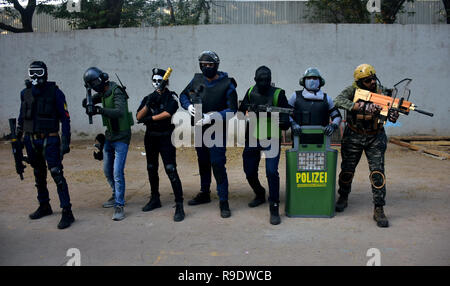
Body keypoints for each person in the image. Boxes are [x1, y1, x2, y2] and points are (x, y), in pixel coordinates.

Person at [333, 64, 399, 228]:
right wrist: (362, 106)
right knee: (347, 169)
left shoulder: (383, 92)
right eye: (367, 80)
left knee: (377, 172)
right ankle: (343, 196)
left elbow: (392, 113)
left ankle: (379, 207)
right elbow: (338, 101)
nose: (372, 82)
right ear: (359, 82)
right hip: (353, 135)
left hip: (375, 137)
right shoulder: (353, 90)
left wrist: (392, 114)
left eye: (373, 78)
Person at [179, 51, 238, 218]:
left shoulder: (227, 83)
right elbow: (183, 95)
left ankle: (223, 201)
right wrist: (187, 106)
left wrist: (212, 117)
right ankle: (204, 192)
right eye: (204, 65)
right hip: (199, 127)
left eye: (210, 65)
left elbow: (233, 109)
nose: (207, 67)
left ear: (216, 65)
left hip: (216, 130)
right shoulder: (197, 79)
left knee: (217, 164)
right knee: (203, 161)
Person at [17, 61, 75, 229]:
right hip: (31, 139)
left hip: (49, 139)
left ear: (46, 74)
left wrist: (65, 140)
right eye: (32, 73)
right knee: (38, 174)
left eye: (39, 73)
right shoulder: (25, 93)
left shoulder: (55, 93)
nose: (35, 77)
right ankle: (44, 205)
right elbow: (22, 117)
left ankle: (67, 211)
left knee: (56, 174)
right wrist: (18, 139)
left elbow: (65, 118)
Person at [238, 66, 290, 225]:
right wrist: (249, 111)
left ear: (270, 79)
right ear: (255, 79)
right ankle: (259, 193)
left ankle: (274, 206)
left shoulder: (278, 93)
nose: (263, 82)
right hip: (252, 137)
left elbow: (286, 117)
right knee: (249, 171)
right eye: (260, 79)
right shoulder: (250, 91)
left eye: (266, 79)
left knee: (271, 172)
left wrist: (282, 122)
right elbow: (240, 114)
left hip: (272, 137)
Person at [82, 67, 134, 221]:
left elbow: (119, 112)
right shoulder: (104, 92)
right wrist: (88, 102)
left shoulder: (116, 91)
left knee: (118, 172)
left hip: (122, 136)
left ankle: (119, 205)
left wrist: (99, 111)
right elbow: (86, 102)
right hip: (110, 136)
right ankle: (115, 193)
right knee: (107, 170)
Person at [136, 68, 185, 222]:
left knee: (170, 169)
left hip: (166, 136)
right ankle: (155, 198)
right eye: (155, 80)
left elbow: (168, 113)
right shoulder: (148, 97)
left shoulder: (171, 97)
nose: (157, 83)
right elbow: (138, 116)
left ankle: (179, 205)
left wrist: (151, 118)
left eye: (160, 80)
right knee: (151, 167)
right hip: (151, 137)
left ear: (166, 82)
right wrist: (148, 104)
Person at [288, 67, 342, 137]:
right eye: (309, 78)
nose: (312, 80)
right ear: (303, 81)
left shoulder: (327, 98)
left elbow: (337, 116)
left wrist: (333, 126)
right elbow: (286, 113)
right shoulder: (295, 96)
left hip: (322, 139)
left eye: (315, 78)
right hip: (299, 139)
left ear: (320, 81)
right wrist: (293, 124)